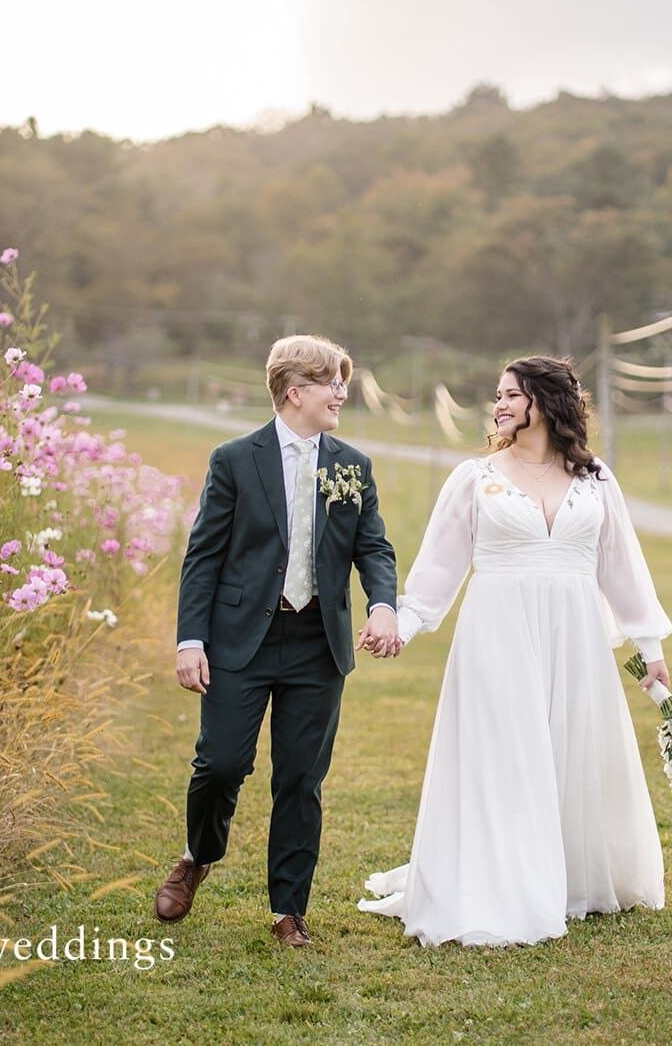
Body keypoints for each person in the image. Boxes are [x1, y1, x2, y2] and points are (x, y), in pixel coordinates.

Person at [357, 355, 672, 947]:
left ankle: (570, 875)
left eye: (510, 395)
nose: (497, 405)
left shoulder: (595, 479)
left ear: (545, 403)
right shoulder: (475, 478)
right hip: (497, 633)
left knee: (569, 750)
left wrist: (648, 646)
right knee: (504, 754)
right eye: (497, 395)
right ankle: (502, 885)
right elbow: (437, 570)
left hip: (575, 635)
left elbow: (622, 567)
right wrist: (400, 623)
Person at [155, 335, 401, 948]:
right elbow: (203, 557)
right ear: (295, 392)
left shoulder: (351, 465)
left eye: (343, 381)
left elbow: (372, 545)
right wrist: (191, 640)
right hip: (241, 638)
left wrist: (383, 604)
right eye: (332, 383)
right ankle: (198, 853)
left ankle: (288, 909)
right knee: (221, 764)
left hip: (319, 643)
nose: (343, 392)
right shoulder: (235, 460)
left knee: (299, 779)